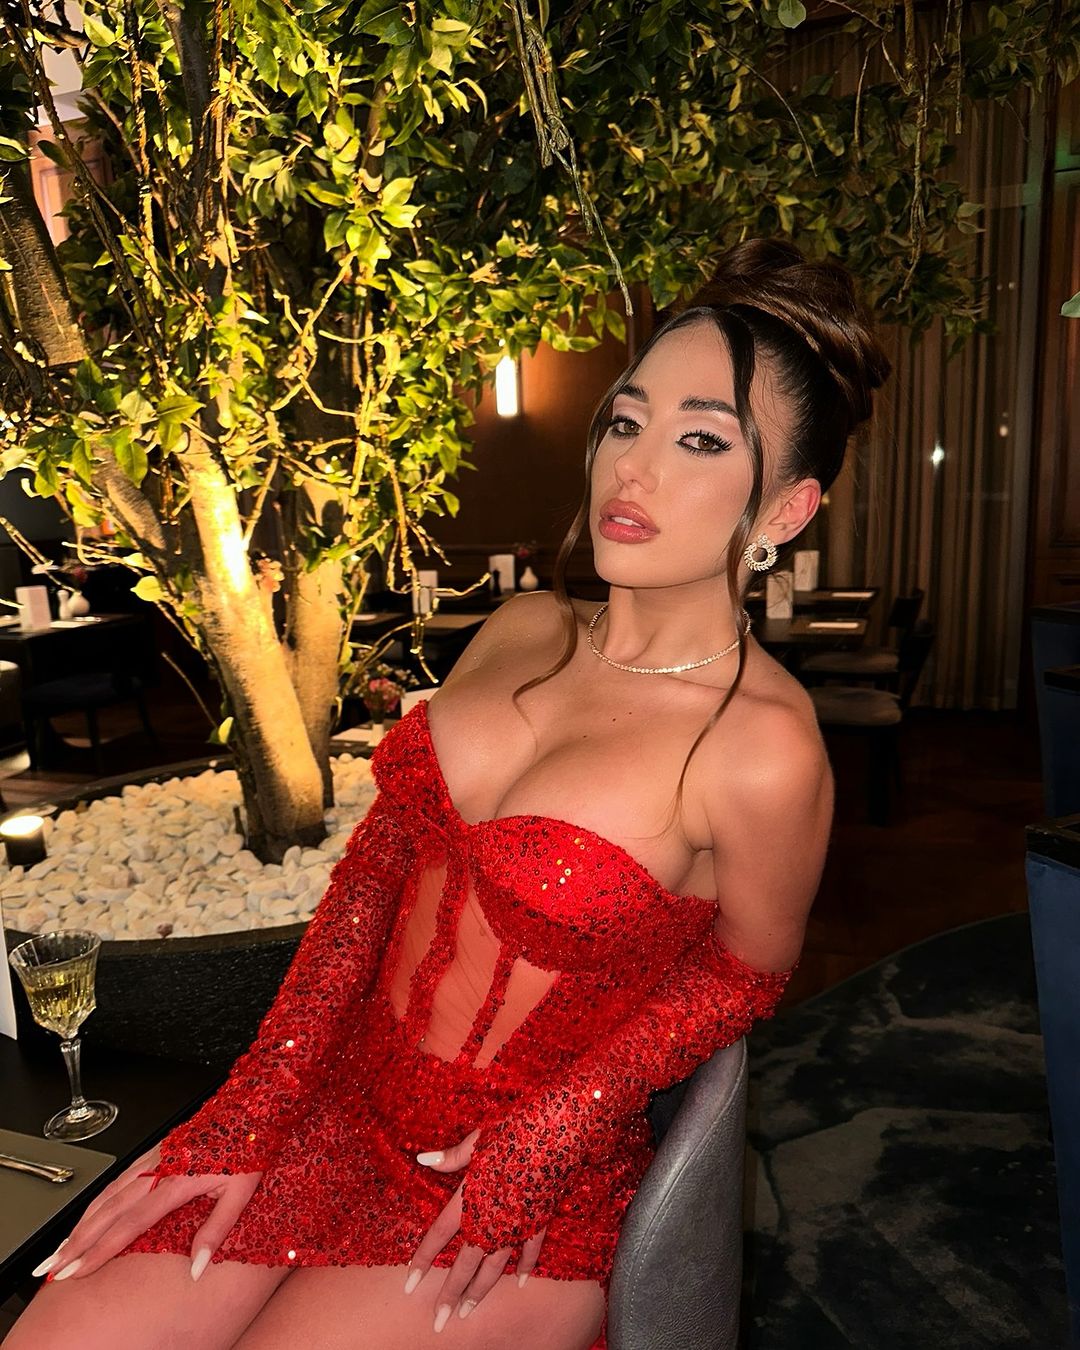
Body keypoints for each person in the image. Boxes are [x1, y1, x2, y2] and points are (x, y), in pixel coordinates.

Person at [4, 238, 889, 1350]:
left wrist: (555, 1130)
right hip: (333, 1100)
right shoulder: (522, 627)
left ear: (787, 511)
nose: (634, 469)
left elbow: (745, 971)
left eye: (701, 439)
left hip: (509, 1186)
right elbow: (378, 874)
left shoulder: (763, 747)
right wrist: (251, 1113)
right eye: (626, 421)